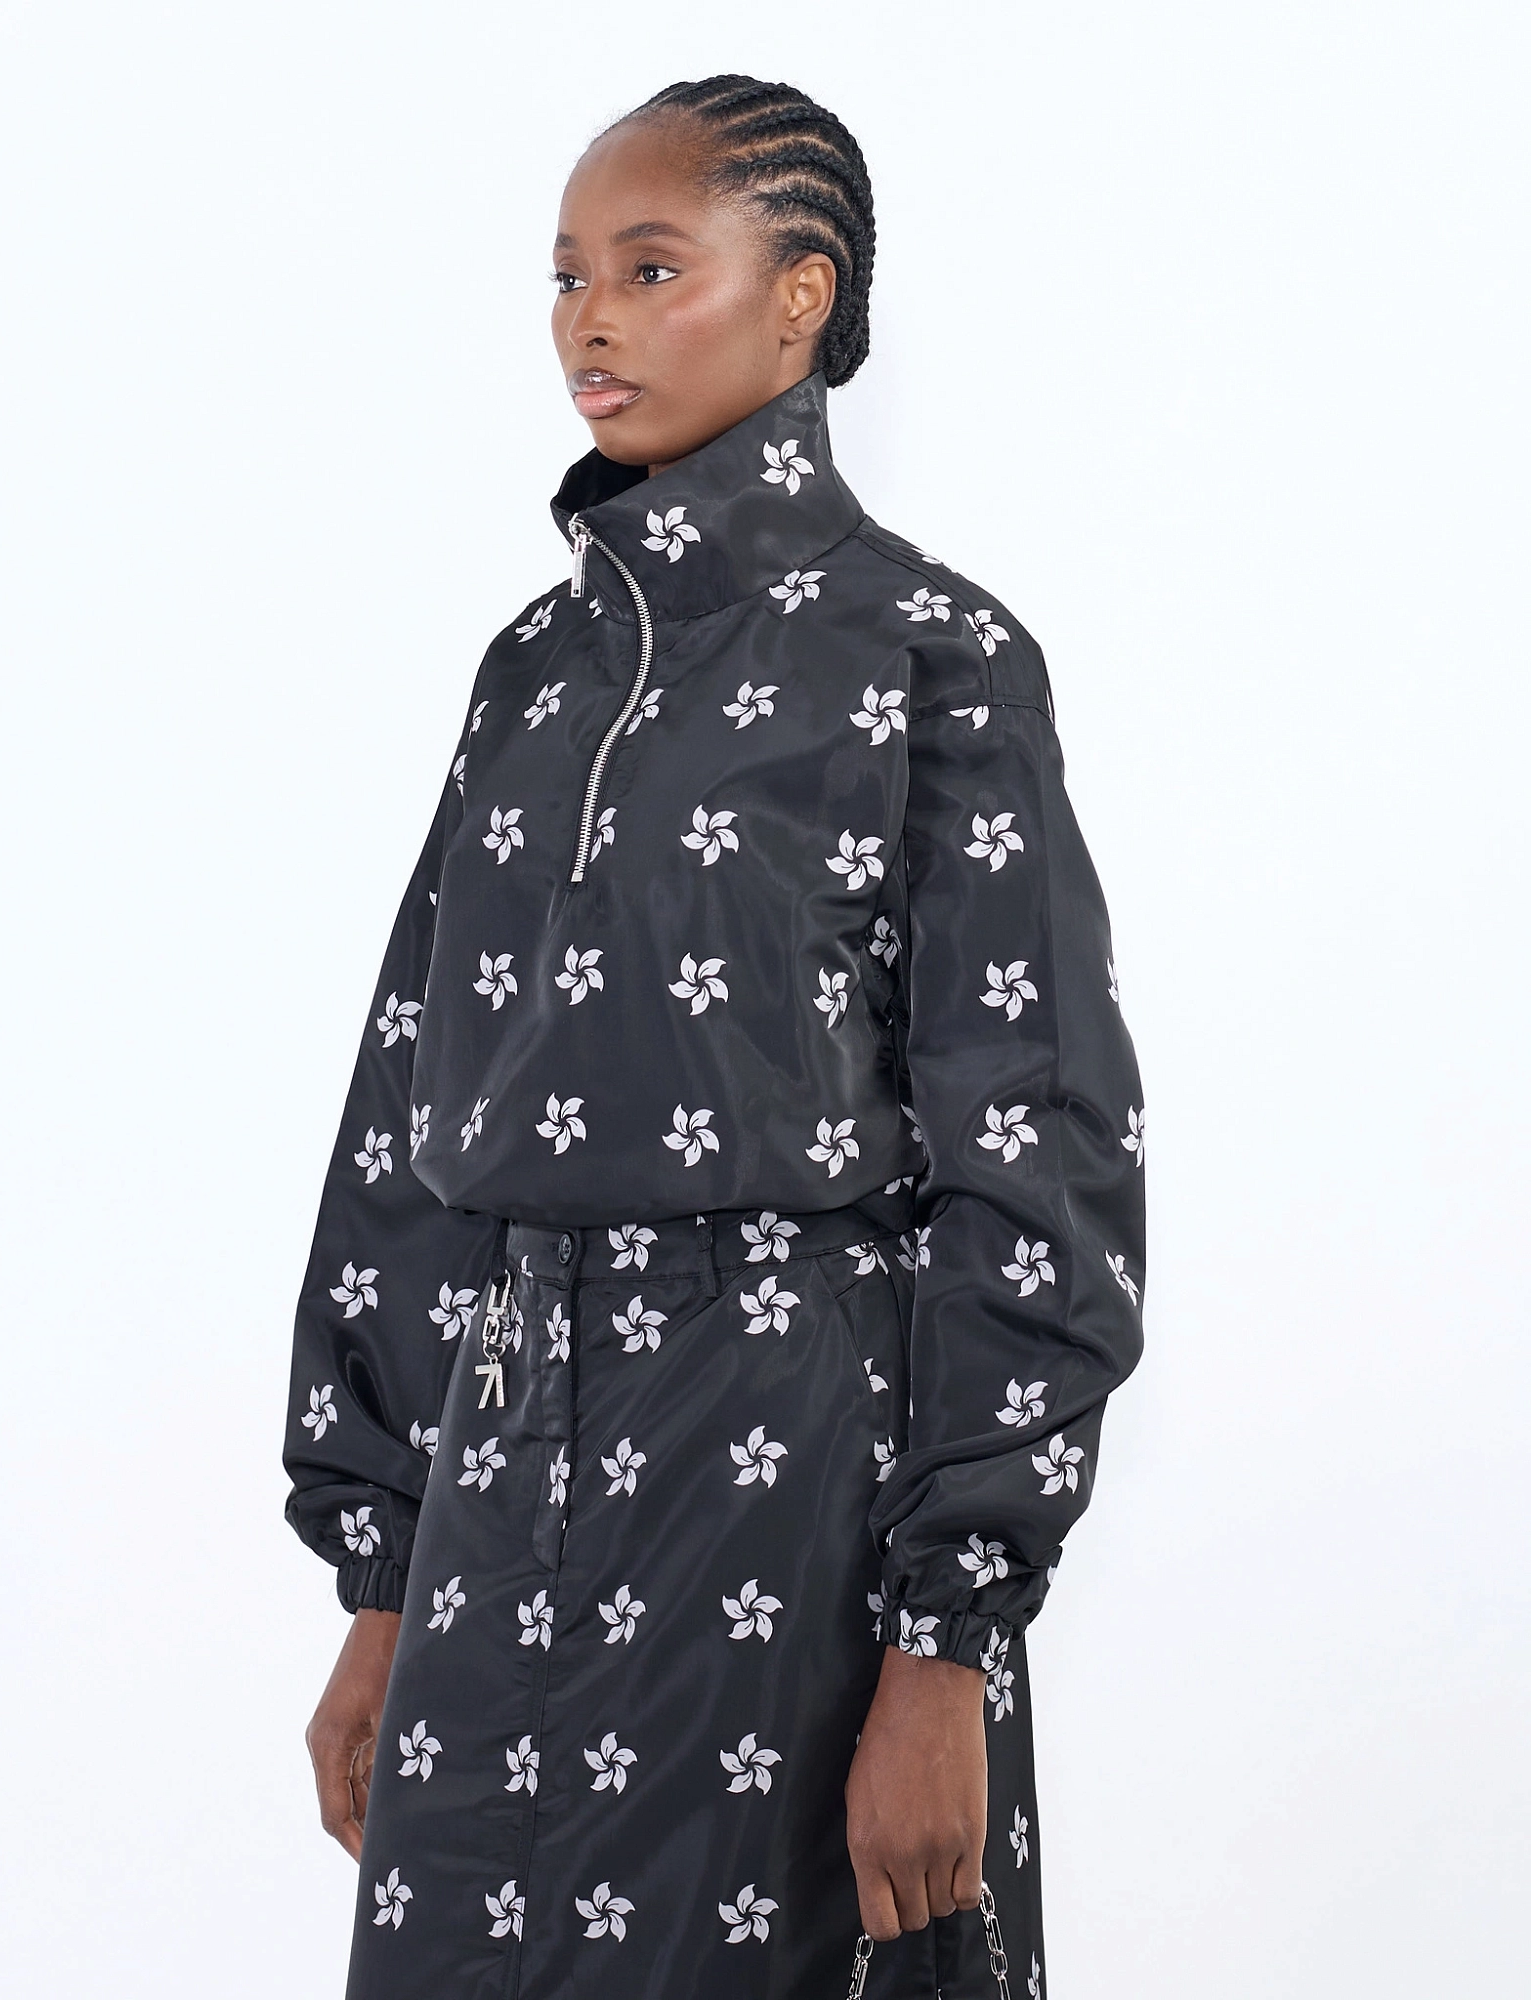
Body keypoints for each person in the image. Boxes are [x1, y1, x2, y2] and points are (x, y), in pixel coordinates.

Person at [281, 72, 1145, 2000]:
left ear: (800, 297)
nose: (589, 319)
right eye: (566, 276)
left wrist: (948, 1647)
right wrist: (385, 1581)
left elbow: (1041, 1152)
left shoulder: (933, 661)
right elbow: (412, 1114)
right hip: (501, 1496)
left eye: (651, 268)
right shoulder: (532, 675)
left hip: (790, 1496)